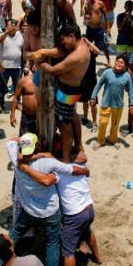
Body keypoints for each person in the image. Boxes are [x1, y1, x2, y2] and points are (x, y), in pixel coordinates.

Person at [7, 133, 85, 266]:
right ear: (36, 146)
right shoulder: (47, 163)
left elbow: (11, 141)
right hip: (50, 211)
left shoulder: (15, 158)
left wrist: (23, 144)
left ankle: (2, 261)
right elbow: (71, 169)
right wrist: (86, 171)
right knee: (52, 244)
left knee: (15, 233)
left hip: (29, 209)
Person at [27, 23, 92, 162]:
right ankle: (78, 146)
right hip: (74, 88)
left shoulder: (77, 55)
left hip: (67, 91)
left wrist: (40, 64)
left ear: (72, 36)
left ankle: (66, 159)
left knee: (64, 125)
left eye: (64, 39)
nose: (63, 43)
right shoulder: (83, 45)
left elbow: (53, 70)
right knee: (71, 116)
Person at [90, 55, 133, 148]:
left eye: (122, 62)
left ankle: (113, 139)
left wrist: (132, 104)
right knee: (103, 122)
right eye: (117, 61)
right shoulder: (107, 72)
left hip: (118, 105)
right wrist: (93, 97)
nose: (119, 63)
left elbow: (130, 91)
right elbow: (98, 85)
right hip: (106, 103)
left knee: (115, 124)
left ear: (125, 66)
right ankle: (100, 140)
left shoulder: (127, 76)